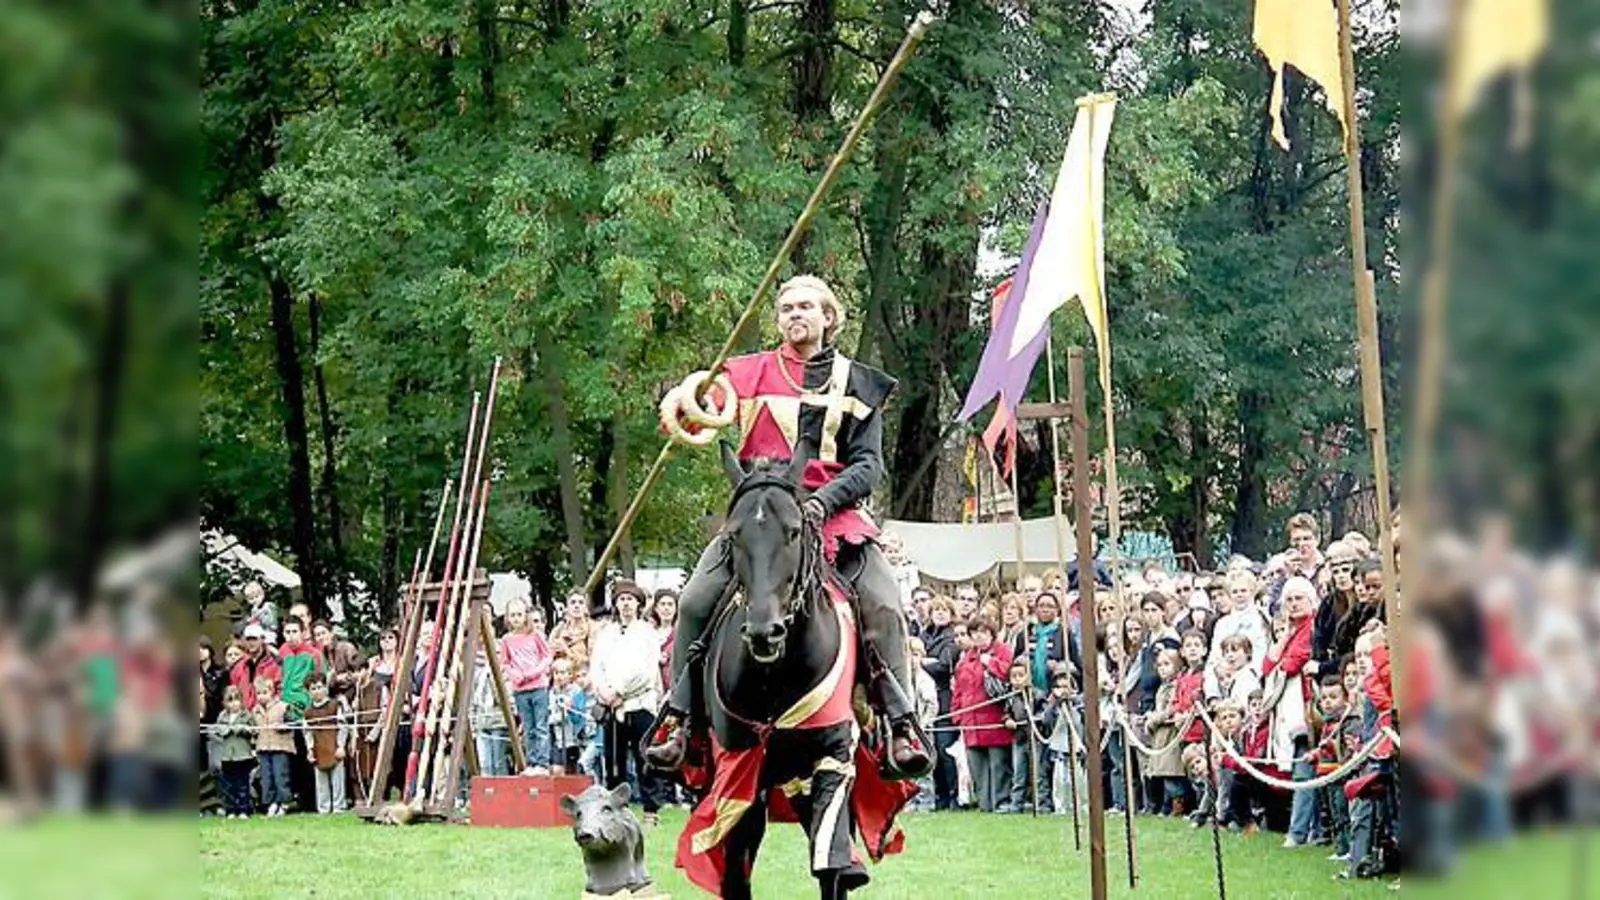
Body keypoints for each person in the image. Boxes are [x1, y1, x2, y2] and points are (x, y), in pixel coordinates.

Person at [646, 275, 931, 779]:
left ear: (828, 317)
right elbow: (700, 411)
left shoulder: (860, 383)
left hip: (834, 518)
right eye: (785, 308)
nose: (795, 315)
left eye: (805, 307)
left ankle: (900, 724)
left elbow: (869, 466)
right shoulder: (744, 373)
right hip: (760, 519)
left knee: (884, 604)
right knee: (693, 601)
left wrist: (822, 502)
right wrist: (683, 407)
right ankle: (679, 720)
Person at [591, 580, 668, 823]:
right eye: (621, 599)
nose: (626, 604)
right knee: (614, 759)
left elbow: (646, 670)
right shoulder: (606, 633)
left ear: (638, 604)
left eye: (630, 600)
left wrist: (620, 691)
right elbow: (596, 665)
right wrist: (603, 692)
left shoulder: (647, 633)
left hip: (639, 703)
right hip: (612, 707)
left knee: (644, 757)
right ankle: (616, 808)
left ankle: (650, 810)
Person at [1265, 576, 1318, 848]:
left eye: (1299, 598)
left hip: (1309, 709)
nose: (1294, 604)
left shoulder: (1312, 627)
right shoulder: (1289, 631)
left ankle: (1300, 832)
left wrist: (1281, 662)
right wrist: (1284, 636)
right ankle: (1306, 830)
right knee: (1304, 768)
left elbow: (1292, 663)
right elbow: (1267, 666)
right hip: (1290, 709)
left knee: (1306, 768)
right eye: (1289, 599)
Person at [952, 616, 1012, 812]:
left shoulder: (1002, 651)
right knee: (977, 766)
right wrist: (957, 715)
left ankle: (1000, 802)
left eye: (983, 632)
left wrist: (991, 663)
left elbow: (1011, 674)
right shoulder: (965, 659)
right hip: (971, 721)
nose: (978, 636)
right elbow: (959, 690)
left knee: (998, 765)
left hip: (993, 718)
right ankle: (985, 804)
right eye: (974, 632)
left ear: (991, 633)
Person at [500, 597, 553, 775]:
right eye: (512, 615)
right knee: (528, 727)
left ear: (526, 616)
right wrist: (514, 674)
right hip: (520, 688)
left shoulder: (536, 635)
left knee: (541, 726)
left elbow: (547, 657)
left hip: (538, 686)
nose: (516, 618)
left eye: (519, 614)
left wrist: (533, 672)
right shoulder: (507, 640)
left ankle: (543, 763)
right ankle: (531, 762)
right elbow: (505, 662)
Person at [918, 597, 961, 811]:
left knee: (945, 750)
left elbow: (944, 666)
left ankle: (952, 795)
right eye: (936, 610)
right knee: (930, 749)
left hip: (944, 698)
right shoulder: (924, 635)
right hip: (924, 698)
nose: (940, 613)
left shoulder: (951, 638)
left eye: (945, 610)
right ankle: (939, 795)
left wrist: (922, 663)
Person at [1139, 648, 1189, 815]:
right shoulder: (1162, 686)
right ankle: (1167, 806)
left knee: (1171, 772)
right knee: (1163, 773)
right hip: (1160, 735)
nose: (1162, 668)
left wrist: (1153, 719)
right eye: (1159, 665)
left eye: (1167, 664)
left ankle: (1178, 806)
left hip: (1170, 734)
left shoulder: (1175, 685)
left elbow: (1170, 709)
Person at [302, 672, 351, 814]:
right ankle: (323, 808)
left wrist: (341, 746)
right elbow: (307, 733)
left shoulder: (335, 706)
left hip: (334, 747)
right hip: (319, 749)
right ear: (308, 692)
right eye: (313, 688)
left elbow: (343, 727)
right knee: (321, 783)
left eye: (319, 687)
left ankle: (338, 807)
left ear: (325, 688)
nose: (317, 691)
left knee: (337, 781)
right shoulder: (308, 712)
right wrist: (310, 749)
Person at [1002, 659, 1042, 813]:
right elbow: (1006, 713)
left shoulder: (1036, 695)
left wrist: (1035, 719)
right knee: (1019, 775)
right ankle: (1016, 804)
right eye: (1014, 676)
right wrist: (1008, 721)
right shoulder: (1011, 697)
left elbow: (1042, 713)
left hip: (1035, 738)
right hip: (1018, 739)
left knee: (1038, 774)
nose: (1017, 680)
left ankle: (1042, 803)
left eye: (1021, 675)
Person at [212, 686, 257, 818]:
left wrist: (244, 729)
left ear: (241, 701)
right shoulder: (222, 716)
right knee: (229, 785)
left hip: (243, 755)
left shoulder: (247, 715)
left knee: (243, 784)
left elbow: (254, 730)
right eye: (230, 701)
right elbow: (217, 730)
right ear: (225, 703)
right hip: (227, 756)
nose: (234, 704)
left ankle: (244, 809)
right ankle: (231, 810)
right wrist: (226, 730)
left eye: (236, 700)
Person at [252, 675, 293, 817]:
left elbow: (293, 723)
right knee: (266, 777)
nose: (261, 696)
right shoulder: (255, 711)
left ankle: (284, 802)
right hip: (263, 747)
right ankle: (271, 802)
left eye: (265, 693)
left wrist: (283, 726)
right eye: (258, 693)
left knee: (280, 775)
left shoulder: (283, 707)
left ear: (272, 692)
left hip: (280, 747)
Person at [229, 623, 281, 709]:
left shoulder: (274, 664)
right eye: (248, 639)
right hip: (244, 714)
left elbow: (279, 690)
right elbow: (234, 691)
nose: (251, 643)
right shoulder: (238, 667)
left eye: (254, 639)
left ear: (262, 639)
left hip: (266, 713)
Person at [311, 621, 364, 702]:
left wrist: (345, 677)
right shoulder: (318, 655)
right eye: (318, 635)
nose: (321, 637)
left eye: (323, 633)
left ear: (331, 633)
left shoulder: (346, 648)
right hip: (331, 694)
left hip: (351, 690)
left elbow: (362, 671)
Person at [550, 592, 596, 673]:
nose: (576, 606)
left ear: (586, 607)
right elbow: (547, 657)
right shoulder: (559, 629)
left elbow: (594, 660)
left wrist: (567, 651)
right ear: (567, 607)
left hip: (582, 678)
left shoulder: (593, 628)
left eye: (581, 603)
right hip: (561, 679)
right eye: (573, 602)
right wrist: (554, 652)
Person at [648, 591, 678, 698]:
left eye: (670, 604)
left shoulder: (680, 635)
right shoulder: (648, 634)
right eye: (663, 604)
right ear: (656, 608)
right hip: (650, 692)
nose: (666, 608)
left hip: (672, 692)